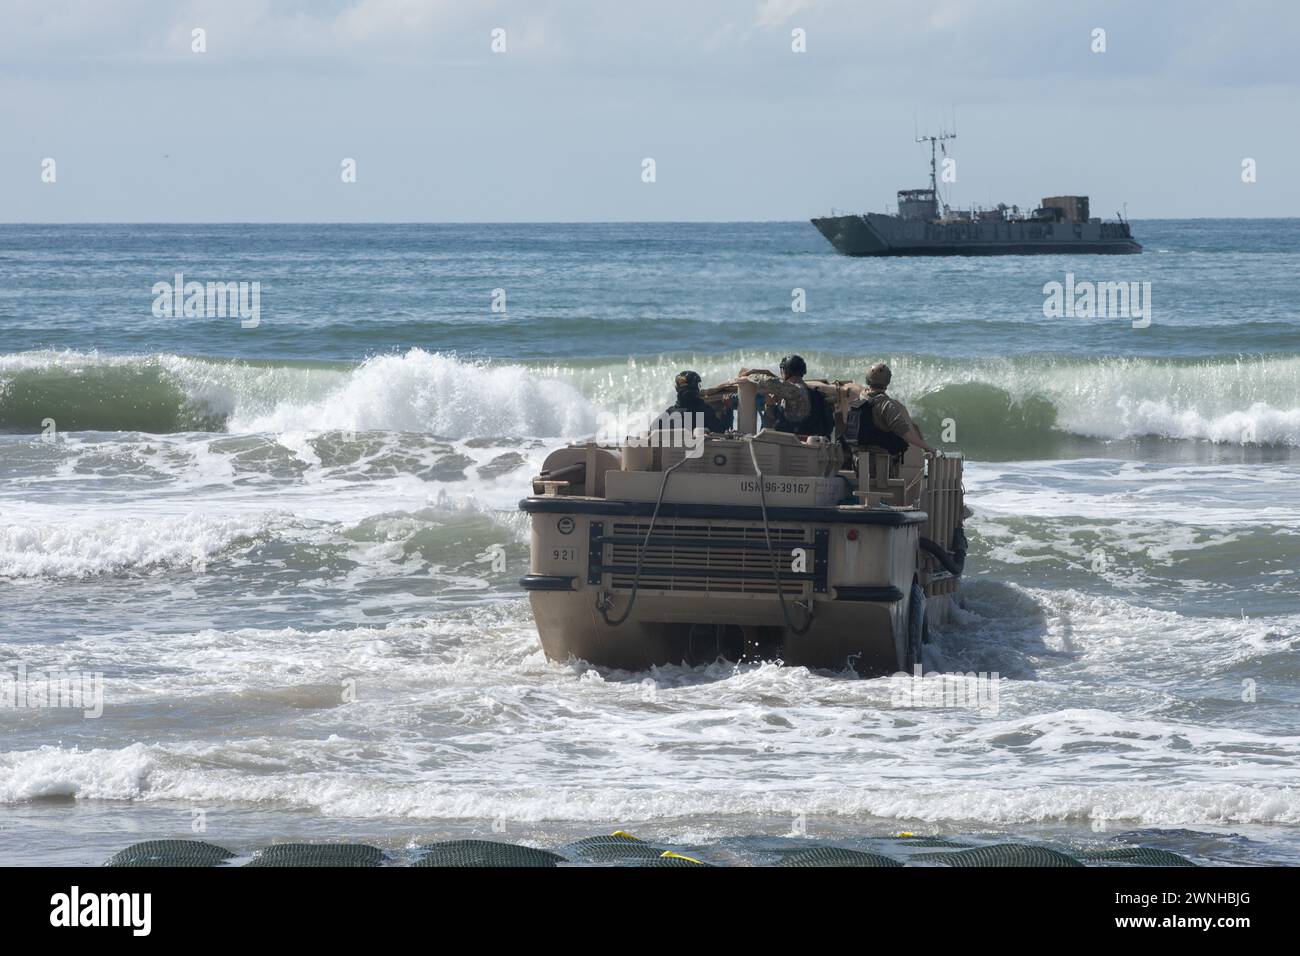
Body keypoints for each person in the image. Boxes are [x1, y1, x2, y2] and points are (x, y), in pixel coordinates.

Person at [846, 363, 940, 456]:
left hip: (857, 455)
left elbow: (855, 389)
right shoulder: (886, 405)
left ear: (868, 380)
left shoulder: (862, 397)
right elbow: (906, 434)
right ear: (887, 382)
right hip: (879, 458)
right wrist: (929, 448)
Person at [737, 355, 813, 432]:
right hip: (797, 432)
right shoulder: (804, 389)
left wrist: (750, 375)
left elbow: (768, 382)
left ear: (786, 372)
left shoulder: (795, 390)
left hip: (790, 436)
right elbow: (779, 383)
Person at [653, 370, 733, 435]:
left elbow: (652, 428)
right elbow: (723, 431)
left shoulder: (669, 413)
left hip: (671, 454)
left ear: (677, 389)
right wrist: (728, 408)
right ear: (695, 389)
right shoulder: (704, 411)